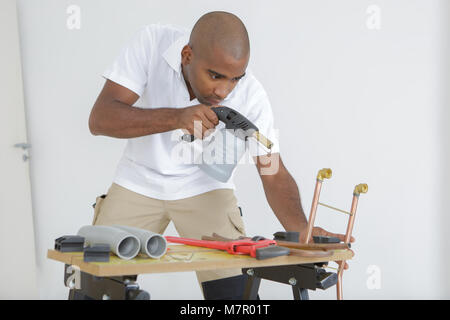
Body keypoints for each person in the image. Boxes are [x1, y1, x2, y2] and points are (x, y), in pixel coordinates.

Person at [88, 11, 354, 299]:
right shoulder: (152, 43)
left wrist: (302, 231)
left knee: (236, 298)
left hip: (206, 189)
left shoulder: (251, 96)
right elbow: (100, 120)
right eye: (215, 75)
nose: (224, 91)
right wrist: (176, 118)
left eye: (234, 79)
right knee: (91, 283)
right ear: (187, 55)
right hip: (137, 181)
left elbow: (273, 172)